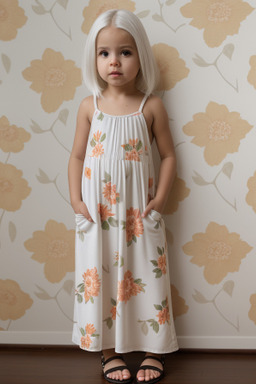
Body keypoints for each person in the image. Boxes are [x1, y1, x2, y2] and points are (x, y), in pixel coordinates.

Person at [68, 9, 178, 384]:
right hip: (96, 213)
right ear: (94, 58)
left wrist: (159, 201)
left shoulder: (151, 106)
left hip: (138, 213)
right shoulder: (89, 106)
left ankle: (154, 350)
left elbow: (168, 156)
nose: (114, 61)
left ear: (140, 55)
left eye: (125, 52)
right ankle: (108, 352)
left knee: (147, 274)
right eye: (104, 53)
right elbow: (78, 155)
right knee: (100, 274)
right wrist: (75, 200)